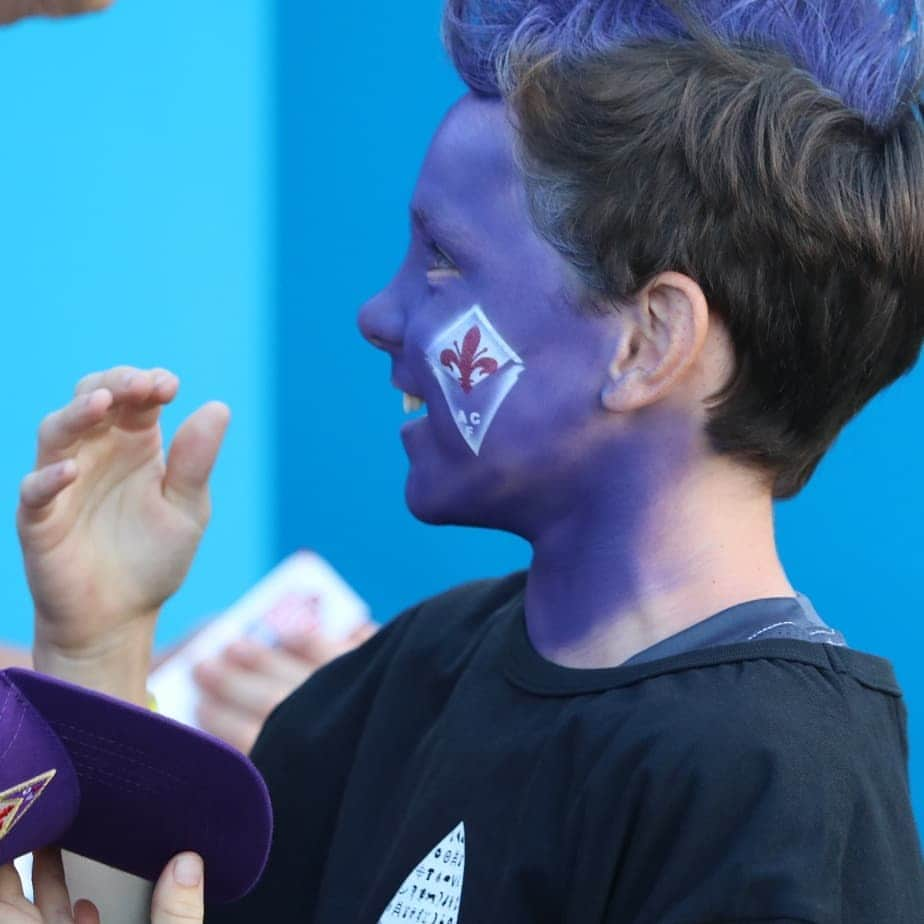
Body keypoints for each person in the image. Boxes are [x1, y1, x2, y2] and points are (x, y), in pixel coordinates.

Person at [17, 0, 924, 921]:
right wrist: (99, 644)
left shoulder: (774, 779)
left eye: (446, 263)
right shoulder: (414, 674)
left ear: (649, 343)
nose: (380, 311)